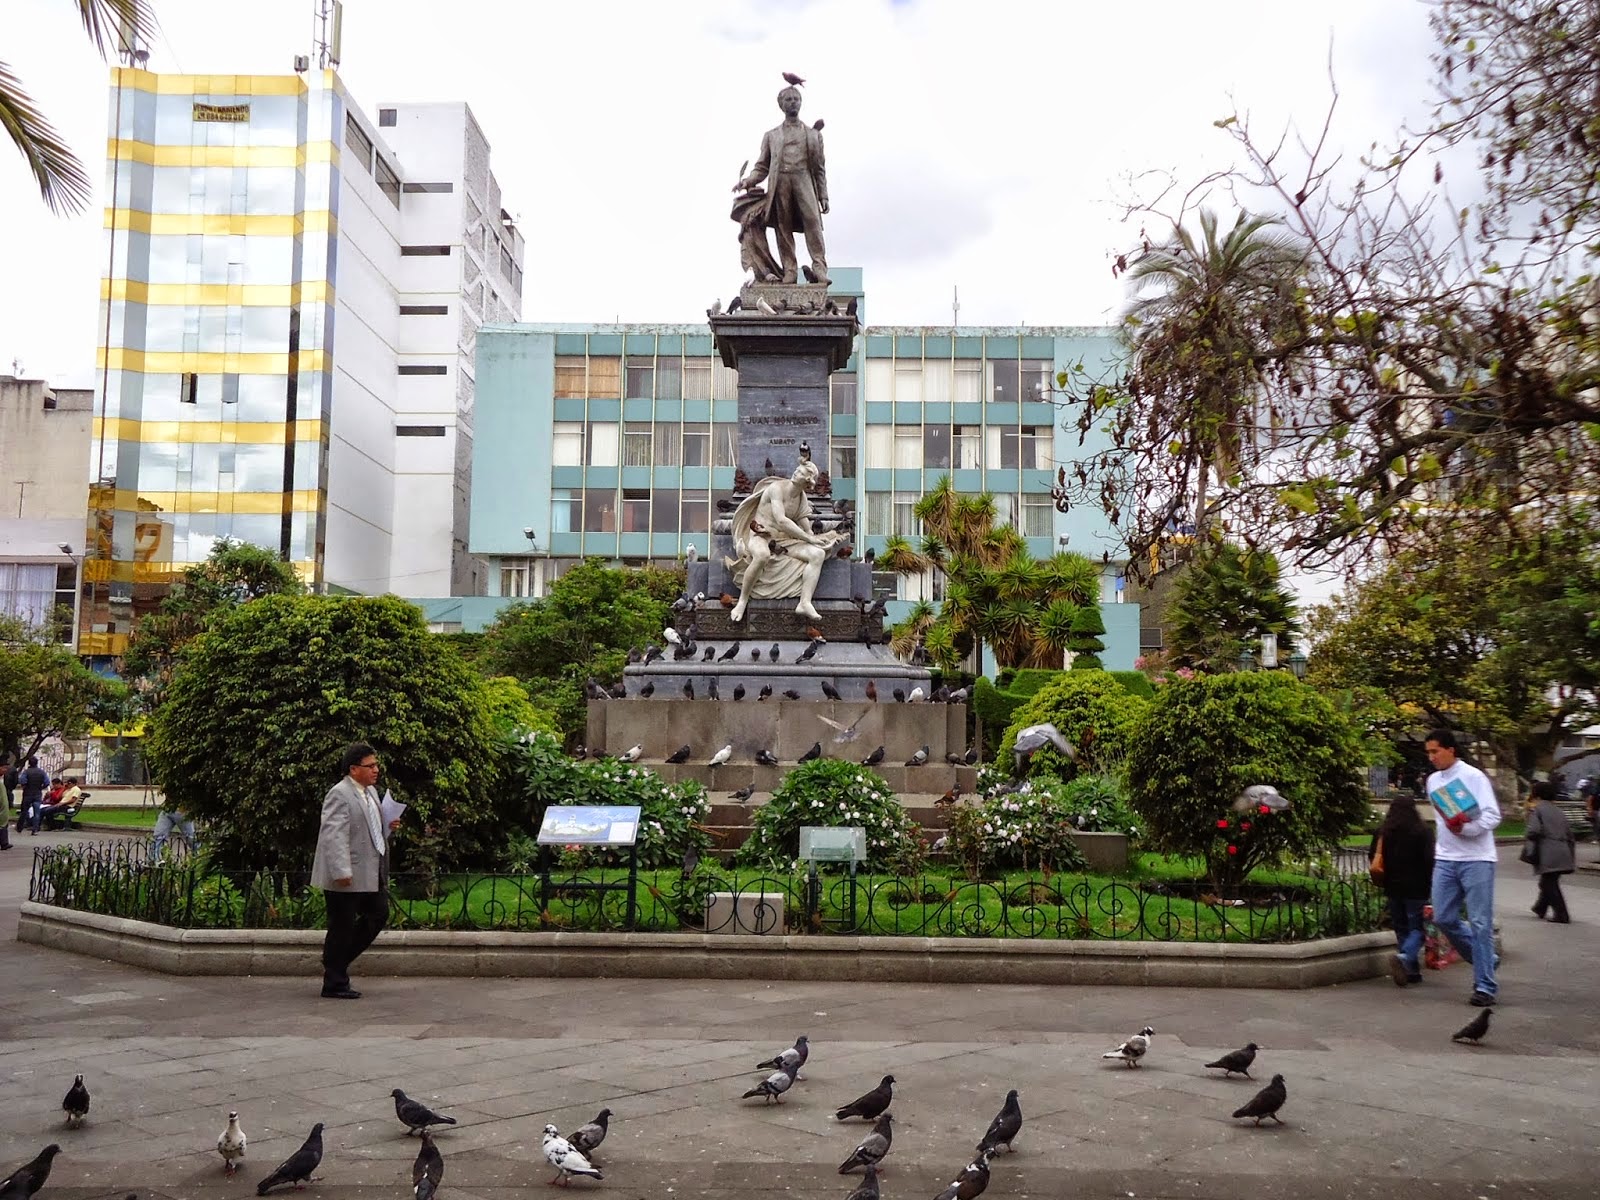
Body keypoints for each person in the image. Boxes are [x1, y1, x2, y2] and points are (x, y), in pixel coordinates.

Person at [310, 742, 399, 1000]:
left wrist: (388, 826)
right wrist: (341, 871)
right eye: (370, 766)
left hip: (369, 872)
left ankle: (334, 961)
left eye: (376, 765)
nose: (376, 770)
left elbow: (369, 829)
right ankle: (334, 982)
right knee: (342, 926)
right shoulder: (339, 794)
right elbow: (333, 835)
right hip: (346, 875)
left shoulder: (370, 793)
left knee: (378, 914)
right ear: (353, 769)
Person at [1423, 729, 1502, 1007]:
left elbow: (1492, 815)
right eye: (1428, 753)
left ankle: (1485, 986)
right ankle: (1487, 959)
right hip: (1446, 858)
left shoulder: (1473, 776)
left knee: (1480, 923)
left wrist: (1466, 829)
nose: (1431, 757)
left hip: (1477, 858)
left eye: (1435, 751)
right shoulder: (1432, 781)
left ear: (1451, 750)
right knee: (1443, 917)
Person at [725, 456, 842, 623]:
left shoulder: (801, 498)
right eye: (797, 470)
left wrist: (817, 539)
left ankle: (805, 602)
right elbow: (781, 520)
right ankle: (742, 601)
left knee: (817, 554)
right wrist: (809, 538)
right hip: (760, 536)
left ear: (808, 480)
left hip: (785, 541)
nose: (795, 473)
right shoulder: (776, 488)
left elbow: (804, 523)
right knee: (762, 555)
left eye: (800, 472)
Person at [734, 85, 830, 286]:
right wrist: (748, 181)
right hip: (780, 183)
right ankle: (790, 270)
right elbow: (762, 166)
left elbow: (820, 168)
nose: (793, 102)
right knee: (783, 228)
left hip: (804, 179)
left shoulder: (813, 135)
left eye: (796, 99)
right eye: (789, 99)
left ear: (801, 103)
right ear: (781, 105)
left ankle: (820, 268)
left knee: (813, 223)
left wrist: (823, 195)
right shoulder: (772, 135)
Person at [1369, 796, 1434, 986]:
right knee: (1419, 928)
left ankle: (1411, 971)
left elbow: (1373, 856)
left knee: (1401, 928)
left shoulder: (1383, 832)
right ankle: (1405, 957)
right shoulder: (1423, 831)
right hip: (1417, 887)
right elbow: (1430, 860)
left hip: (1392, 886)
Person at [1524, 780, 1576, 923]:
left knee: (1548, 884)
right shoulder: (1559, 811)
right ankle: (1540, 908)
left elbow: (1533, 830)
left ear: (1536, 794)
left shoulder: (1538, 810)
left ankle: (1561, 914)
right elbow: (1570, 834)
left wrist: (1529, 838)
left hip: (1548, 850)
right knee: (1548, 881)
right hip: (1563, 850)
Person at [18, 756, 49, 836]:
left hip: (27, 794)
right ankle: (35, 829)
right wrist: (41, 787)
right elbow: (47, 782)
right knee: (37, 812)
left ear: (29, 763)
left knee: (24, 811)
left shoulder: (26, 772)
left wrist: (25, 787)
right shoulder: (42, 772)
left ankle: (20, 827)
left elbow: (22, 781)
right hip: (37, 794)